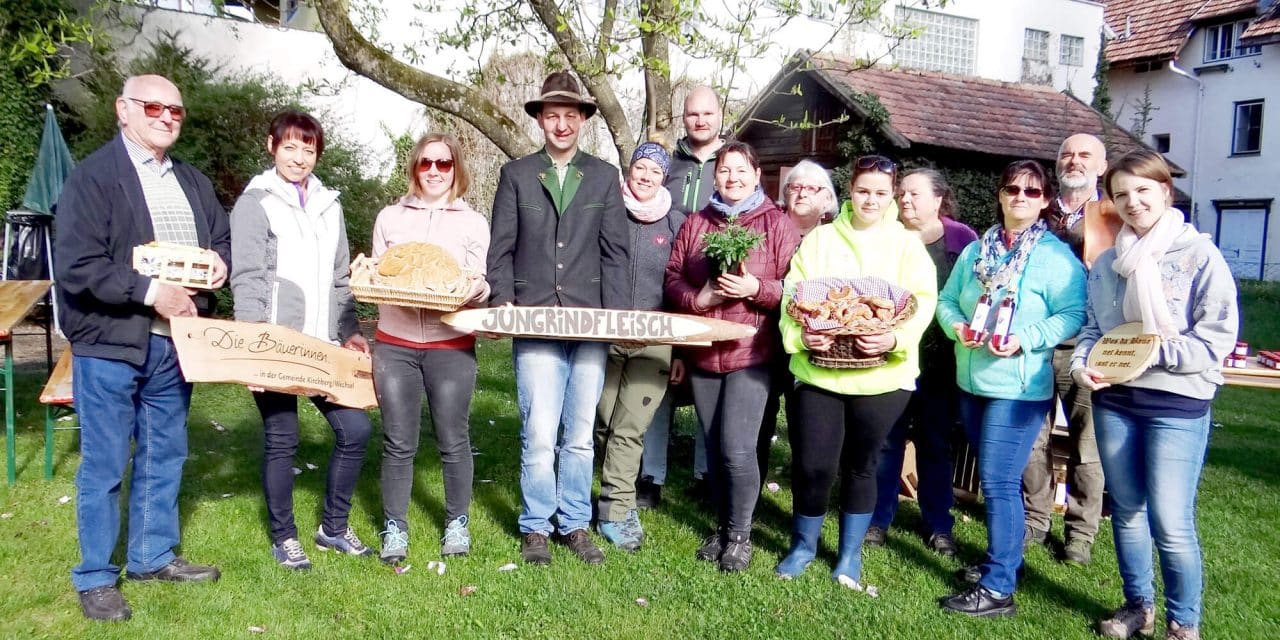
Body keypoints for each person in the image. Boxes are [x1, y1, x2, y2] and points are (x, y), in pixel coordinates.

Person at [55, 74, 230, 621]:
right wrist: (151, 292)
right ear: (123, 110)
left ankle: (153, 556)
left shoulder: (193, 182)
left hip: (174, 345)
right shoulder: (94, 177)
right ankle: (96, 577)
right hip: (110, 342)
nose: (166, 116)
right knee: (106, 462)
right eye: (153, 106)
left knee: (165, 453)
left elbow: (219, 238)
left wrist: (219, 263)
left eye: (176, 110)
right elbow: (78, 267)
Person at [1073, 150, 1238, 640]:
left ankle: (1184, 622)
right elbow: (1093, 329)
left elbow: (1217, 338)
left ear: (1165, 192)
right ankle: (1137, 606)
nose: (1132, 201)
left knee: (1170, 519)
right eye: (1121, 194)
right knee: (1126, 509)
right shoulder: (1107, 263)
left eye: (1142, 190)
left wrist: (1153, 354)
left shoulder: (1199, 255)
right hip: (1116, 400)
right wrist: (1084, 364)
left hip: (1176, 403)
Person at [487, 71, 630, 566]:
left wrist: (616, 318)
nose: (562, 124)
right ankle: (535, 526)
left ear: (584, 120)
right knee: (541, 430)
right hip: (534, 320)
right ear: (541, 120)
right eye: (553, 115)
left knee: (578, 433)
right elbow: (500, 248)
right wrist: (503, 299)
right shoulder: (517, 174)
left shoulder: (605, 176)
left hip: (590, 322)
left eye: (571, 115)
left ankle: (574, 522)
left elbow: (615, 253)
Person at [773, 155, 937, 583]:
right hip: (819, 373)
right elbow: (794, 294)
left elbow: (922, 304)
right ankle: (804, 545)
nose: (871, 200)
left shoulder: (908, 247)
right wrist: (801, 336)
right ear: (850, 190)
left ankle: (849, 554)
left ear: (893, 198)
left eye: (881, 193)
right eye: (864, 190)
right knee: (813, 465)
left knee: (863, 464)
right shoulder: (821, 240)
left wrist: (895, 339)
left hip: (883, 379)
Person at [936, 159, 1086, 617]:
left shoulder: (1056, 257)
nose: (1020, 197)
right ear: (1000, 195)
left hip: (1018, 390)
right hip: (973, 381)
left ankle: (999, 587)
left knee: (999, 482)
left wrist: (1026, 339)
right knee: (996, 480)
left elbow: (1074, 314)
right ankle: (1006, 562)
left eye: (1032, 191)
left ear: (1044, 202)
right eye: (1012, 189)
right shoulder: (977, 251)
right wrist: (957, 327)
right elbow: (946, 301)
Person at [230, 110, 374, 570]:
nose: (298, 157)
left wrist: (350, 330)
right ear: (272, 147)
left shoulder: (330, 204)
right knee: (282, 439)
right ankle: (284, 537)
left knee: (355, 430)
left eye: (308, 149)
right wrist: (252, 353)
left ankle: (333, 528)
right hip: (275, 345)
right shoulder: (256, 202)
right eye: (289, 147)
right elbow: (248, 276)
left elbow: (339, 278)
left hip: (323, 346)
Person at [665, 141, 800, 572]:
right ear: (715, 176)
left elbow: (796, 288)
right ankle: (723, 528)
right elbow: (672, 279)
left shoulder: (776, 224)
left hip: (752, 353)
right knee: (715, 447)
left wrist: (756, 290)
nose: (733, 178)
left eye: (742, 170)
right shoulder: (697, 224)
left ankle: (740, 536)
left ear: (757, 175)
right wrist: (698, 297)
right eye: (725, 170)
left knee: (738, 450)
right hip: (705, 352)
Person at [371, 133, 491, 563]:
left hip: (451, 343)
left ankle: (457, 523)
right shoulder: (390, 217)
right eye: (426, 163)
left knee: (453, 438)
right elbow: (379, 275)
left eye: (444, 163)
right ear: (415, 169)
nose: (435, 171)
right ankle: (395, 528)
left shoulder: (473, 222)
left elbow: (478, 281)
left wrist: (478, 289)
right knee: (398, 442)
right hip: (395, 343)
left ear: (456, 168)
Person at [866, 168, 977, 556]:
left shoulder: (962, 239)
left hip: (941, 360)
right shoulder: (886, 235)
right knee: (886, 440)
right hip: (892, 356)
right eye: (902, 194)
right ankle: (877, 519)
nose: (905, 200)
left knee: (935, 442)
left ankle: (937, 523)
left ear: (939, 199)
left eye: (914, 193)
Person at [1022, 133, 1117, 565]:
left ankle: (1080, 532)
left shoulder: (1114, 215)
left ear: (1102, 166)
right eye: (1066, 154)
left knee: (1087, 445)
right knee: (1032, 441)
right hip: (1034, 343)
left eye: (1084, 155)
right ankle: (1033, 522)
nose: (1073, 161)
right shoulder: (1033, 210)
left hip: (1088, 345)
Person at [594, 142, 687, 550]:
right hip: (604, 337)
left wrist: (680, 349)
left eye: (654, 170)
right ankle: (610, 492)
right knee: (601, 425)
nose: (646, 175)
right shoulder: (606, 211)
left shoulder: (676, 223)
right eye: (640, 167)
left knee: (629, 429)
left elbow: (682, 286)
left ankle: (616, 510)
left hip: (654, 343)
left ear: (664, 177)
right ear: (628, 170)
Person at [638, 84, 725, 507]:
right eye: (692, 114)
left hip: (716, 289)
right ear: (683, 118)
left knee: (709, 378)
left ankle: (707, 475)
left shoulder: (731, 164)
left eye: (707, 113)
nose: (700, 121)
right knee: (661, 380)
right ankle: (650, 476)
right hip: (665, 284)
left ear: (720, 115)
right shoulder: (668, 164)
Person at [757, 159, 839, 486]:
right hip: (766, 337)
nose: (802, 193)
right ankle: (751, 492)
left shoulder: (834, 238)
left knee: (805, 424)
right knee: (760, 420)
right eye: (795, 186)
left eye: (812, 188)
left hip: (813, 345)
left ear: (827, 199)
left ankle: (805, 494)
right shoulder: (769, 227)